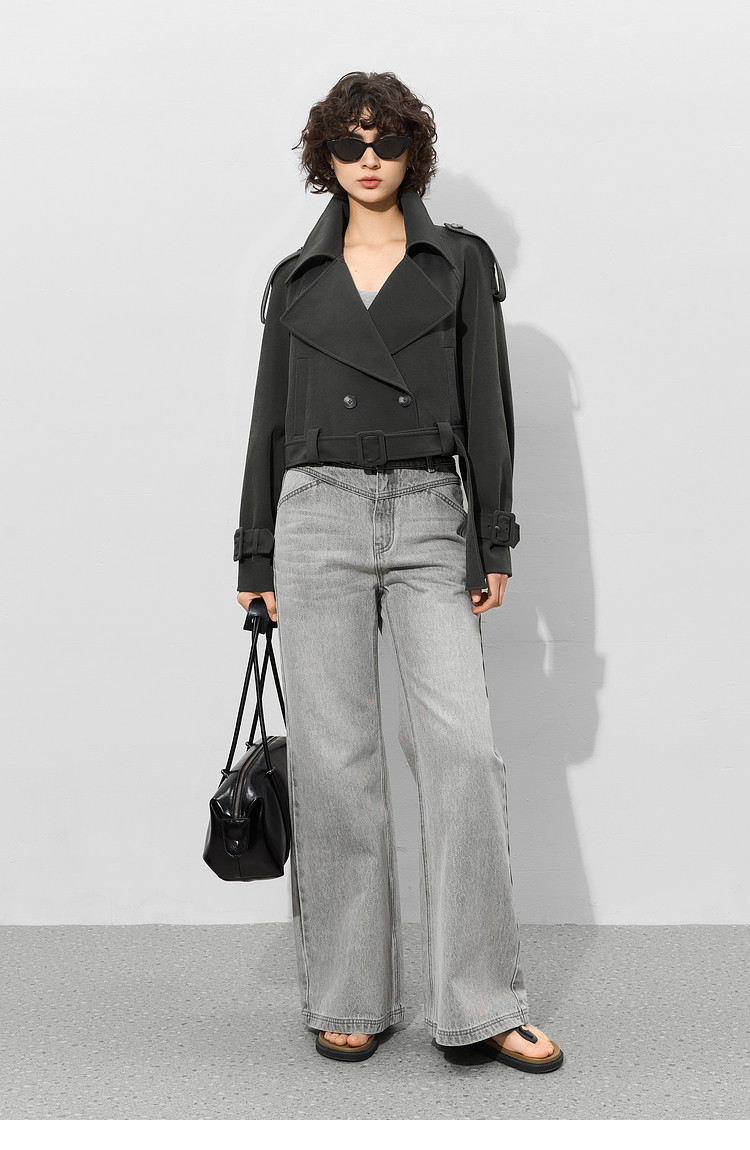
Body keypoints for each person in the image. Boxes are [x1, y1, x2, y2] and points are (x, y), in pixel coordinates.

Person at [234, 71, 563, 1072]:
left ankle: (481, 1002)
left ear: (413, 150)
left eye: (385, 140)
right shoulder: (299, 279)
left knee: (462, 753)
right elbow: (268, 422)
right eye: (349, 142)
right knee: (336, 766)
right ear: (325, 157)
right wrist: (256, 551)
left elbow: (489, 405)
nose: (368, 158)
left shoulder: (458, 263)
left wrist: (492, 536)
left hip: (427, 509)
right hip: (316, 513)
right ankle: (349, 994)